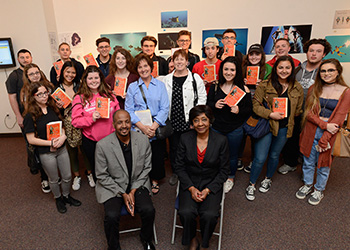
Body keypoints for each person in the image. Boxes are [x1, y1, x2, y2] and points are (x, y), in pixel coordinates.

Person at [95, 109, 156, 250]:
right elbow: (102, 175)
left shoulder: (143, 140)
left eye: (127, 122)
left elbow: (147, 168)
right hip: (113, 186)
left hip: (137, 183)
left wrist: (133, 191)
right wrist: (123, 193)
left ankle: (146, 239)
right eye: (120, 122)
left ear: (131, 123)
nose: (124, 126)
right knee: (111, 216)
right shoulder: (102, 146)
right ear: (113, 124)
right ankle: (113, 246)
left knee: (149, 210)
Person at [245, 56, 303, 201]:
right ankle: (251, 184)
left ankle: (268, 178)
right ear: (275, 69)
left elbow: (299, 110)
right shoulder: (265, 85)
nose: (284, 71)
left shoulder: (297, 87)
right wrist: (270, 113)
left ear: (292, 69)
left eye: (287, 68)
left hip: (284, 127)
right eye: (280, 67)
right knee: (259, 158)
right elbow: (255, 106)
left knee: (274, 155)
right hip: (267, 125)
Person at [175, 105, 229, 250]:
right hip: (190, 182)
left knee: (210, 215)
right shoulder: (185, 138)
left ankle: (205, 242)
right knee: (186, 212)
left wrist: (208, 190)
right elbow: (179, 167)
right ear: (192, 123)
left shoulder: (221, 140)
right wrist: (191, 188)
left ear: (210, 120)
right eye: (196, 120)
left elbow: (224, 171)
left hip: (211, 183)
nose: (200, 124)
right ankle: (192, 239)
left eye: (204, 120)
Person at [297, 59, 350, 205]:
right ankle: (307, 184)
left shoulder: (346, 92)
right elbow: (308, 113)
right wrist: (324, 125)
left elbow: (339, 118)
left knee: (324, 163)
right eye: (323, 71)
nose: (326, 74)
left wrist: (325, 137)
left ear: (338, 72)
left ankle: (319, 189)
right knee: (307, 160)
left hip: (331, 134)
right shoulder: (315, 87)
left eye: (330, 70)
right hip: (312, 129)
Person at [23, 81, 81, 213]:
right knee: (54, 179)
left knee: (67, 176)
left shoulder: (53, 107)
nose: (44, 96)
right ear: (33, 96)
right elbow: (31, 139)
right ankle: (58, 198)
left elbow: (63, 126)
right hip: (46, 152)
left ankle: (66, 196)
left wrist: (63, 137)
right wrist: (51, 143)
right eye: (40, 94)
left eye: (46, 93)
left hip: (61, 148)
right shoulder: (29, 115)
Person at [279, 38, 332, 175]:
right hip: (295, 111)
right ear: (306, 52)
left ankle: (307, 168)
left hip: (314, 113)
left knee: (311, 141)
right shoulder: (296, 70)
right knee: (292, 138)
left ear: (324, 54)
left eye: (318, 51)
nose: (314, 54)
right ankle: (290, 163)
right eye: (311, 50)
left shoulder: (325, 72)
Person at [125, 53, 169, 195]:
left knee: (157, 155)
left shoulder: (160, 85)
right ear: (136, 70)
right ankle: (142, 181)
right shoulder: (132, 87)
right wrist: (143, 127)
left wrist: (153, 127)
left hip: (156, 126)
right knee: (140, 157)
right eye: (140, 67)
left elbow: (165, 108)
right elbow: (129, 110)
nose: (143, 69)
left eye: (145, 66)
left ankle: (155, 180)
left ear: (151, 67)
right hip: (138, 128)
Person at [207, 56, 252, 193]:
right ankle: (216, 175)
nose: (228, 72)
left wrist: (239, 110)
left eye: (232, 70)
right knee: (215, 154)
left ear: (237, 71)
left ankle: (230, 178)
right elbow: (207, 106)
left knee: (232, 155)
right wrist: (214, 105)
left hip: (235, 129)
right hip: (217, 128)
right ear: (221, 70)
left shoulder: (243, 89)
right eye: (226, 69)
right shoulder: (215, 87)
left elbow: (249, 110)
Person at [163, 49, 207, 186]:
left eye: (182, 59)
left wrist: (197, 119)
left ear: (187, 62)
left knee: (190, 146)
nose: (179, 62)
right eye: (176, 59)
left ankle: (190, 171)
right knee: (175, 147)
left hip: (189, 120)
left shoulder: (195, 78)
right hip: (173, 119)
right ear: (173, 62)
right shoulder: (167, 79)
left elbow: (202, 98)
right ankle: (177, 172)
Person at [71, 65, 120, 179]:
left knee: (114, 167)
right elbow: (75, 122)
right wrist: (91, 119)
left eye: (96, 78)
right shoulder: (79, 98)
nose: (94, 81)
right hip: (92, 142)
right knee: (98, 170)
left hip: (111, 139)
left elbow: (118, 114)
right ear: (85, 80)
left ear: (101, 79)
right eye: (90, 78)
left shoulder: (109, 94)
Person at [57, 61, 94, 190]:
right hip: (66, 124)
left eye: (73, 72)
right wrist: (58, 108)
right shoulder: (57, 89)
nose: (70, 75)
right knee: (72, 151)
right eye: (67, 72)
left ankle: (90, 173)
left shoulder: (79, 86)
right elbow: (53, 110)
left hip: (81, 121)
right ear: (62, 72)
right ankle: (77, 176)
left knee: (85, 149)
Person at [21, 63, 54, 193]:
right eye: (31, 74)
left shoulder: (49, 85)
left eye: (37, 72)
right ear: (27, 76)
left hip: (50, 119)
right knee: (41, 151)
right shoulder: (25, 91)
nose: (35, 76)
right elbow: (27, 109)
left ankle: (55, 176)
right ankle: (44, 178)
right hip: (36, 122)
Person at [241, 44, 272, 173]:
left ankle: (254, 159)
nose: (254, 57)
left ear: (262, 56)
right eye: (251, 54)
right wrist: (241, 82)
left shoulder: (268, 69)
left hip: (259, 105)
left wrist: (263, 85)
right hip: (244, 104)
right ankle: (239, 158)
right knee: (241, 132)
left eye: (257, 54)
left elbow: (273, 88)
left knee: (256, 132)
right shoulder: (243, 68)